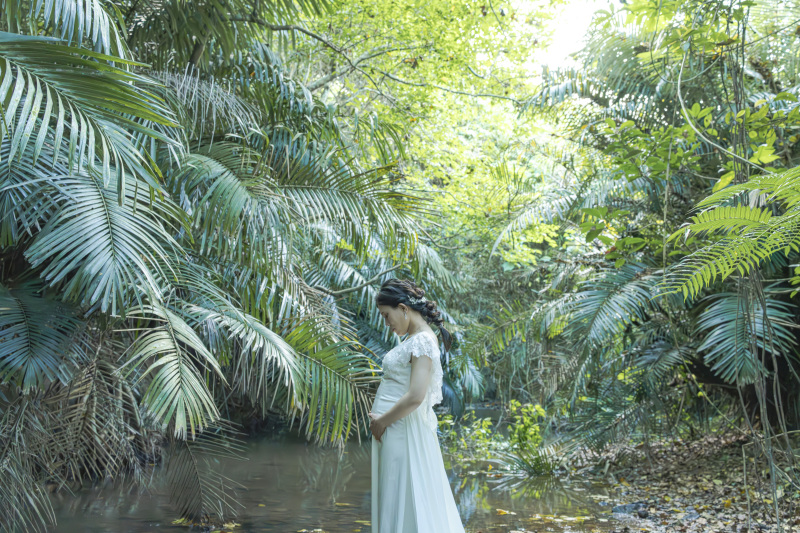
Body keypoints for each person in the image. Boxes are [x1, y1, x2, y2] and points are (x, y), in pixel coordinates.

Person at [368, 279, 466, 532]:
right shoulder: (413, 339)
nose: (386, 322)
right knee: (395, 491)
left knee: (402, 491)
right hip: (395, 430)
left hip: (402, 430)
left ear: (403, 308)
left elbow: (415, 395)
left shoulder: (422, 341)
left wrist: (382, 421)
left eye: (386, 315)